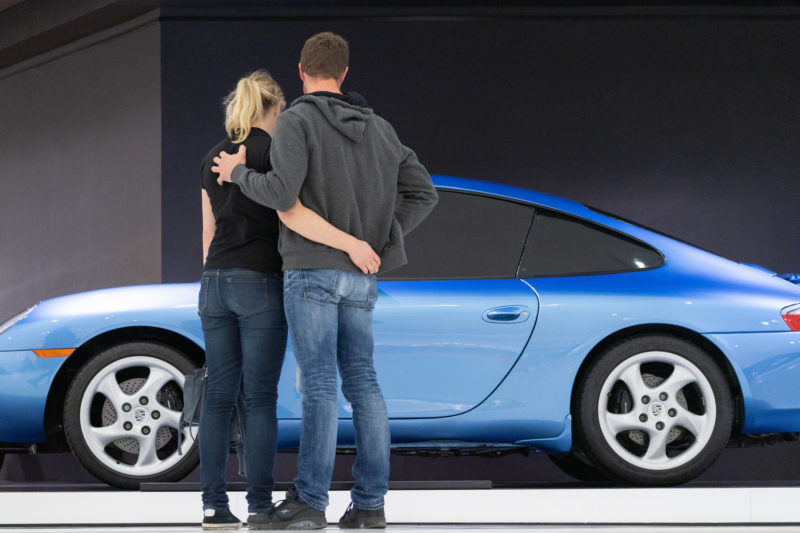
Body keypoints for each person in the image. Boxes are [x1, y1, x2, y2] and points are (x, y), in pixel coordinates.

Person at [213, 32, 438, 530]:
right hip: (361, 276)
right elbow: (424, 193)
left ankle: (311, 503)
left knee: (318, 386)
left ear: (301, 71)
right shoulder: (381, 130)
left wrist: (237, 175)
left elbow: (280, 191)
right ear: (344, 73)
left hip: (312, 271)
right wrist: (379, 239)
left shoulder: (297, 120)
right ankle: (370, 506)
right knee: (365, 385)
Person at [198, 69, 381, 530]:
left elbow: (208, 233)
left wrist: (216, 278)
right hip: (261, 282)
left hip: (214, 280)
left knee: (218, 397)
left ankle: (213, 507)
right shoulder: (275, 152)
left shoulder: (211, 158)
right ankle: (260, 503)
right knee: (260, 397)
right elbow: (290, 210)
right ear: (276, 108)